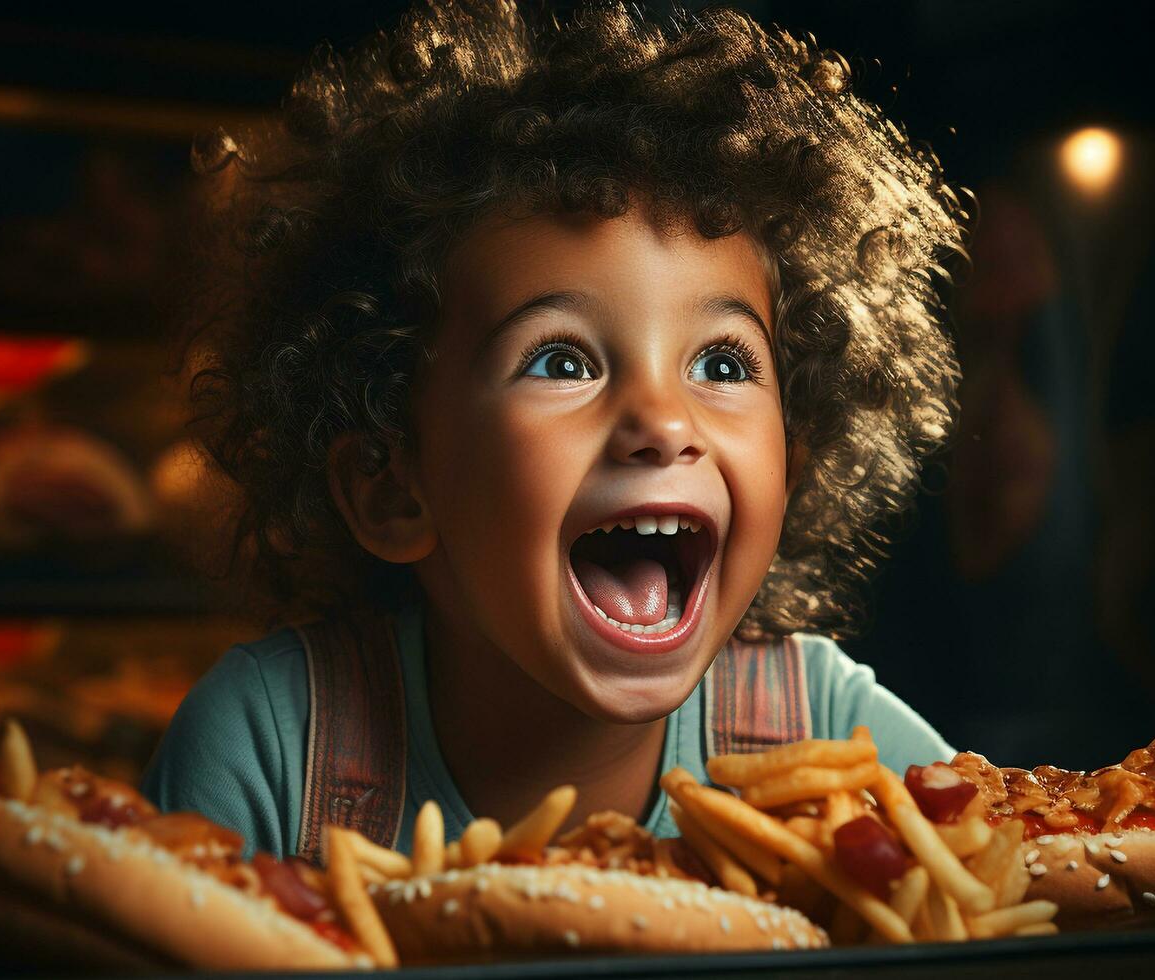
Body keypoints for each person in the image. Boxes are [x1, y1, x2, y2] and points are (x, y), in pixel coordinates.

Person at [143, 0, 964, 861]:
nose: (663, 420)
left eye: (721, 365)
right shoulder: (271, 745)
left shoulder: (830, 729)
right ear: (392, 484)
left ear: (790, 469)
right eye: (561, 362)